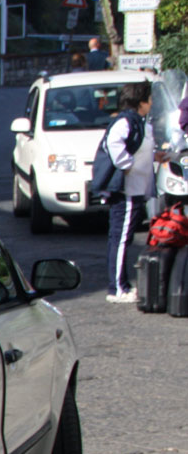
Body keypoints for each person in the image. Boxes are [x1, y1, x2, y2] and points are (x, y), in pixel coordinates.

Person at [95, 81, 165, 302]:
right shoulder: (126, 121)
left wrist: (157, 157)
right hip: (126, 191)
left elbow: (141, 148)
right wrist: (127, 164)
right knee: (121, 239)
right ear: (140, 101)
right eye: (150, 99)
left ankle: (121, 285)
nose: (152, 103)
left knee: (122, 238)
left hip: (135, 190)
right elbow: (113, 143)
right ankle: (117, 289)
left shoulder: (137, 121)